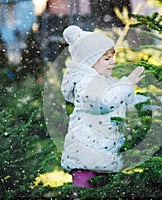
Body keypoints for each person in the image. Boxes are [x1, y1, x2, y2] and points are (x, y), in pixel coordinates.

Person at [60, 25, 146, 189]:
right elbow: (104, 102)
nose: (113, 62)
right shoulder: (84, 83)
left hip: (106, 160)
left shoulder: (106, 82)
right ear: (89, 62)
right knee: (85, 195)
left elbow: (128, 102)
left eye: (112, 57)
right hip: (86, 162)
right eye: (106, 59)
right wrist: (128, 83)